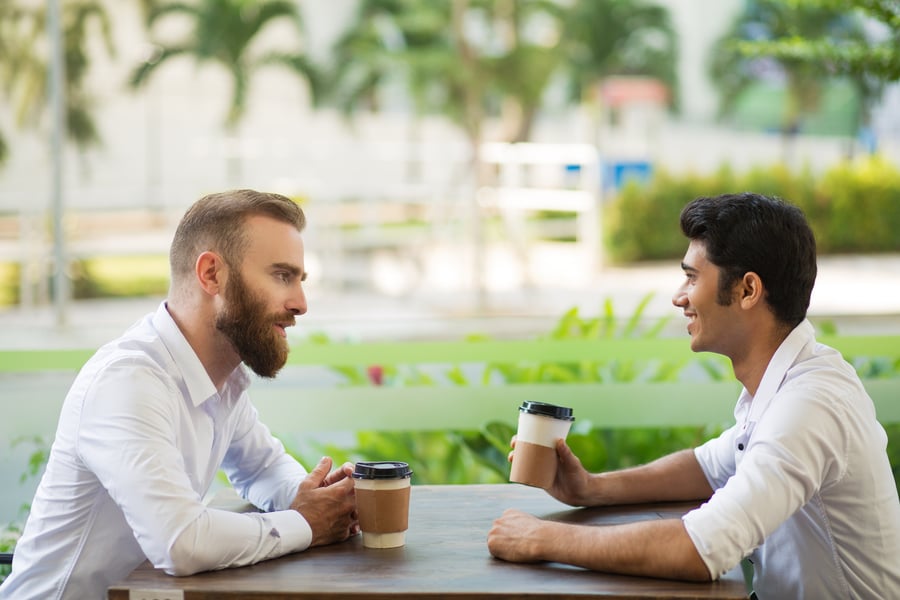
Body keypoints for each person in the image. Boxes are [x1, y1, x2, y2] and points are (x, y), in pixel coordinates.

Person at [487, 192, 900, 598]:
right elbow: (707, 467)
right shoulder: (789, 383)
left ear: (748, 290)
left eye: (692, 276)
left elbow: (701, 550)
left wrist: (540, 539)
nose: (678, 296)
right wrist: (592, 488)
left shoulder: (809, 405)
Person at [0, 190, 359, 600]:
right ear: (211, 275)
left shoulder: (220, 378)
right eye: (282, 276)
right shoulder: (129, 381)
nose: (300, 303)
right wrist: (307, 523)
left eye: (299, 279)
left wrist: (316, 500)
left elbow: (262, 468)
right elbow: (180, 542)